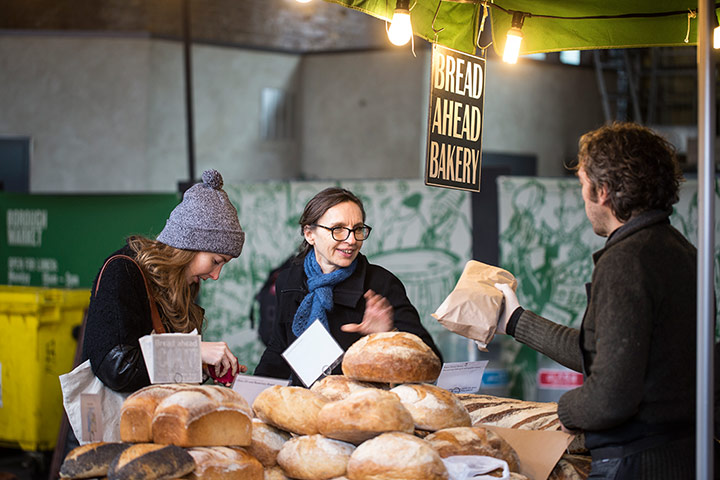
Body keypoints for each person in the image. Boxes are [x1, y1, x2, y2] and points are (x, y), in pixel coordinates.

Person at [494, 122, 697, 479]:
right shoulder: (677, 248)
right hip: (679, 453)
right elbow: (609, 353)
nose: (583, 196)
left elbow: (610, 398)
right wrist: (516, 320)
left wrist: (564, 412)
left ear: (602, 191)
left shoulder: (626, 261)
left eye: (583, 185)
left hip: (636, 463)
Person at [82, 169, 247, 394]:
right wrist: (193, 352)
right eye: (215, 261)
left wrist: (202, 367)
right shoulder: (122, 272)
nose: (216, 275)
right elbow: (117, 368)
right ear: (189, 244)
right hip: (119, 424)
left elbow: (151, 372)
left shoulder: (181, 284)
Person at [254, 187, 442, 383]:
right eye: (338, 229)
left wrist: (386, 337)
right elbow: (279, 349)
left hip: (363, 406)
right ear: (310, 234)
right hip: (307, 404)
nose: (351, 240)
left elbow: (431, 361)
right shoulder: (289, 280)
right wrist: (253, 395)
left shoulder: (381, 283)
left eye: (358, 229)